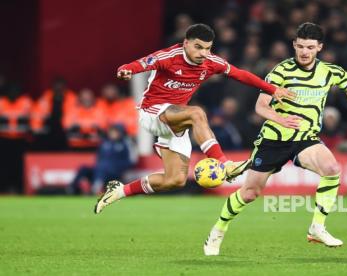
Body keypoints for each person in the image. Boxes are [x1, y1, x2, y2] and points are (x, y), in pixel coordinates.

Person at [203, 22, 347, 255]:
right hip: (274, 139)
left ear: (319, 47)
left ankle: (317, 227)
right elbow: (260, 106)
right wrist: (279, 119)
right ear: (294, 45)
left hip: (305, 138)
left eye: (310, 47)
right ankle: (218, 230)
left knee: (332, 168)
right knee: (250, 193)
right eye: (300, 46)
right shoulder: (281, 71)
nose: (304, 52)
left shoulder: (330, 72)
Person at [94, 23, 294, 214]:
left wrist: (272, 89)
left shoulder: (211, 62)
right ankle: (225, 164)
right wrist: (125, 70)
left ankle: (118, 191)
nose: (203, 53)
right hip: (152, 112)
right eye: (198, 47)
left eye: (207, 48)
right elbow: (139, 64)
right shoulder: (169, 56)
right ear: (186, 43)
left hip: (176, 120)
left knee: (175, 180)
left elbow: (240, 74)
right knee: (197, 113)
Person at [68, 124, 136, 195]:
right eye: (112, 131)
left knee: (103, 168)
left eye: (115, 132)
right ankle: (73, 188)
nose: (113, 134)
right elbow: (98, 158)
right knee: (84, 168)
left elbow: (130, 161)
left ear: (121, 132)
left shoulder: (126, 144)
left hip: (115, 172)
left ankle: (95, 189)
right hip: (100, 170)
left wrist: (115, 166)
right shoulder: (104, 143)